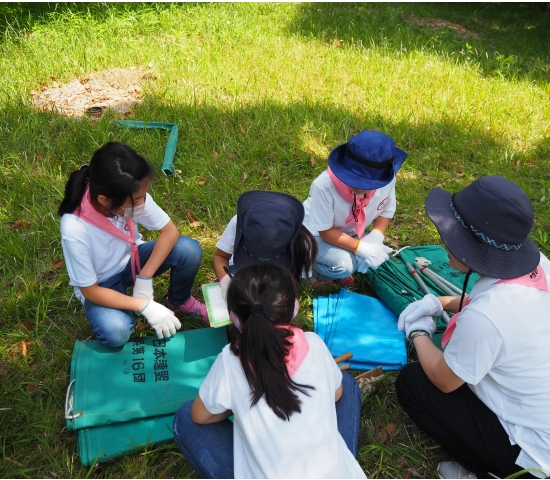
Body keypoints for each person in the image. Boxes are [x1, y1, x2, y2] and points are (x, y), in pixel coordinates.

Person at [394, 176, 550, 479]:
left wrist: (418, 332)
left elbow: (444, 380)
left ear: (475, 247)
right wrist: (442, 303)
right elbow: (487, 305)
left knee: (413, 384)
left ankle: (487, 471)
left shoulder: (488, 317)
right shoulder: (534, 265)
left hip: (535, 456)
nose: (444, 242)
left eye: (452, 237)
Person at [173, 263, 365, 478]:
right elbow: (336, 394)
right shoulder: (314, 343)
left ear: (233, 317)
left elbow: (200, 416)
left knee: (186, 415)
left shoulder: (231, 359)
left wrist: (238, 406)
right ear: (295, 307)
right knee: (344, 382)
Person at [58, 142, 208, 348]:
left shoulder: (133, 192)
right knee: (116, 333)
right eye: (137, 200)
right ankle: (126, 309)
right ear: (104, 200)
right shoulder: (74, 229)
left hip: (133, 261)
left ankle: (179, 301)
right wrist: (143, 305)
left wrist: (145, 277)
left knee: (188, 250)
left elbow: (170, 232)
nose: (143, 203)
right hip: (102, 284)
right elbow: (90, 291)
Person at [302, 130, 407, 286]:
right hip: (314, 233)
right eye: (354, 180)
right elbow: (325, 231)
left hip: (349, 232)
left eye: (367, 184)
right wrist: (360, 247)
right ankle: (311, 272)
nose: (359, 187)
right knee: (345, 265)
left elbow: (385, 211)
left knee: (379, 259)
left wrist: (376, 236)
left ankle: (335, 265)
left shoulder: (387, 180)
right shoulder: (323, 186)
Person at [212, 190, 317, 298]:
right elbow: (220, 257)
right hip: (240, 268)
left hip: (280, 277)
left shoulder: (304, 244)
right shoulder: (239, 223)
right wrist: (225, 282)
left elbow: (295, 280)